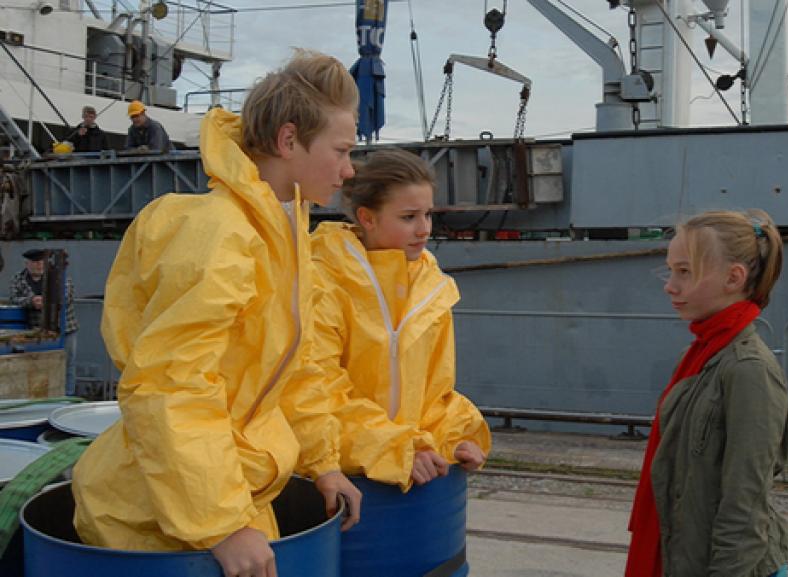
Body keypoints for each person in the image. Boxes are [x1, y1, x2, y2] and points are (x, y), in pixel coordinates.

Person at [72, 50, 363, 577]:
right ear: (289, 141)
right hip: (159, 519)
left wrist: (322, 463)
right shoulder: (222, 237)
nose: (350, 168)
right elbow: (170, 383)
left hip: (230, 499)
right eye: (341, 150)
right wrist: (221, 522)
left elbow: (293, 372)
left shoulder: (287, 235)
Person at [311, 148, 491, 491]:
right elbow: (317, 394)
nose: (423, 230)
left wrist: (452, 439)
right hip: (337, 479)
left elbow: (434, 392)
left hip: (412, 471)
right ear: (367, 218)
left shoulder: (429, 288)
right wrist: (394, 447)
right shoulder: (323, 281)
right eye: (408, 217)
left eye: (427, 215)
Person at [625, 209, 788, 577]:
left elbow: (745, 506)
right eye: (670, 271)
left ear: (734, 278)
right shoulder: (702, 353)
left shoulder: (748, 370)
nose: (670, 285)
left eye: (685, 272)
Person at [8, 248, 78, 395]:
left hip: (65, 330)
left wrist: (46, 301)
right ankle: (44, 396)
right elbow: (14, 298)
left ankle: (68, 396)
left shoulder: (59, 277)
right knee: (41, 364)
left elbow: (66, 296)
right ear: (27, 263)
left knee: (67, 364)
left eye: (41, 262)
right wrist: (31, 301)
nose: (38, 265)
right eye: (34, 262)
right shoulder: (18, 279)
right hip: (37, 331)